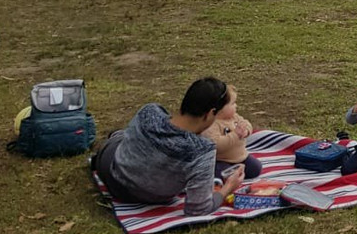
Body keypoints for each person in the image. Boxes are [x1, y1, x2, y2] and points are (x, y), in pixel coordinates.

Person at [91, 78, 244, 216]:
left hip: (112, 175)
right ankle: (116, 136)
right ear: (211, 113)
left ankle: (114, 137)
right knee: (119, 138)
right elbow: (198, 209)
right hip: (148, 197)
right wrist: (228, 187)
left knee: (121, 138)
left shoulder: (149, 112)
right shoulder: (202, 151)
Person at [203, 85, 262, 181]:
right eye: (233, 103)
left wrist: (246, 131)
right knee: (221, 174)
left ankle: (237, 173)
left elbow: (246, 123)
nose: (236, 105)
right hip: (221, 160)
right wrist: (235, 135)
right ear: (220, 108)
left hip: (241, 157)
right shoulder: (212, 124)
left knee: (256, 168)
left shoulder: (234, 117)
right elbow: (215, 144)